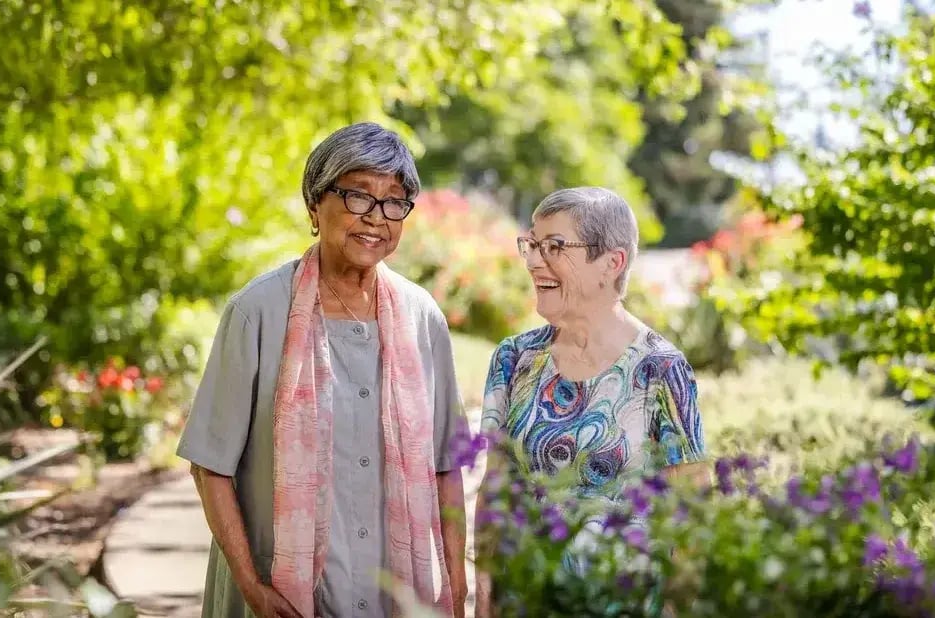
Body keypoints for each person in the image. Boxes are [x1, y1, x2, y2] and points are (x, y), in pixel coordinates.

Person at [177, 122, 469, 618]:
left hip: (392, 599)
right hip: (280, 597)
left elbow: (447, 466)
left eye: (394, 202)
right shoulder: (258, 312)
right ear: (315, 205)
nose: (376, 217)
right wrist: (252, 587)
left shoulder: (423, 320)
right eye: (358, 195)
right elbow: (209, 467)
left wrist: (456, 591)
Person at [472, 187, 709, 615]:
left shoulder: (661, 369)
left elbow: (691, 515)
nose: (532, 260)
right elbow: (495, 492)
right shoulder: (515, 359)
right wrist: (484, 598)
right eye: (532, 244)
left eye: (555, 246)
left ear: (611, 263)